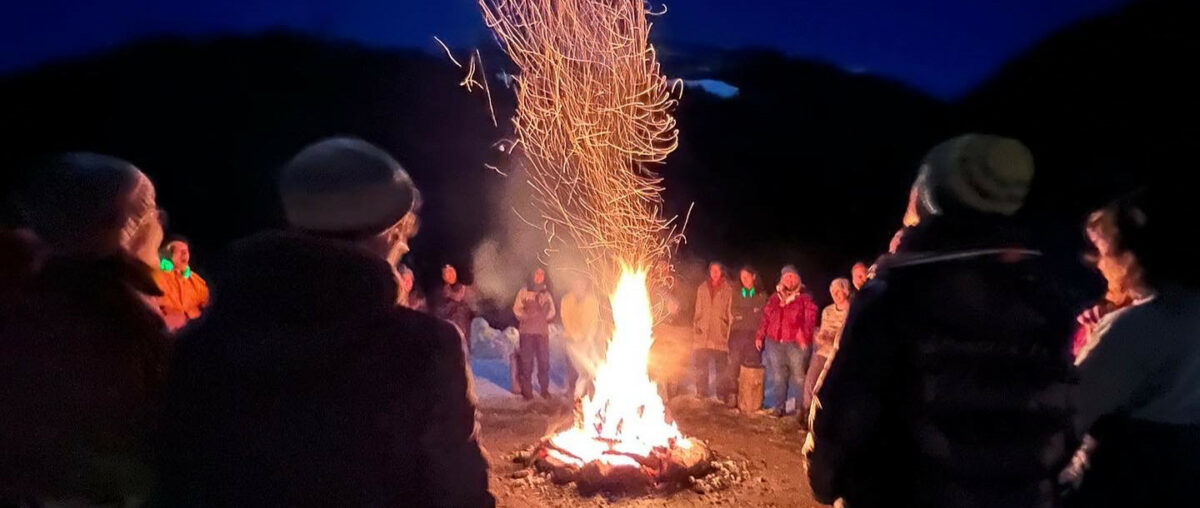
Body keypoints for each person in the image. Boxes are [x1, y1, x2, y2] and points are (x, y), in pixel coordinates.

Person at [155, 137, 493, 507]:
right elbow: (460, 494)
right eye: (402, 233)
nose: (406, 246)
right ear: (388, 233)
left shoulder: (202, 346)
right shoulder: (422, 350)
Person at [806, 134, 1076, 508]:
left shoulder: (897, 294)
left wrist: (824, 480)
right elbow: (1058, 418)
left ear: (934, 196)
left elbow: (844, 414)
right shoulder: (1047, 299)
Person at [0, 153, 170, 506]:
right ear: (124, 227)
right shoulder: (120, 323)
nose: (159, 224)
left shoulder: (23, 299)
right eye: (148, 212)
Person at [1068, 188, 1200, 507]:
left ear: (1132, 255)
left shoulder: (1134, 326)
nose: (1096, 263)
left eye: (1101, 250)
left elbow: (1074, 410)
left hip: (1133, 480)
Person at [1071, 207, 1145, 361]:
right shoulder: (1113, 311)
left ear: (1127, 258)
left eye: (1101, 252)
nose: (1099, 264)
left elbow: (1083, 376)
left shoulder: (1136, 321)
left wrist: (1098, 339)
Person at [755, 265, 818, 417]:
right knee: (778, 377)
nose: (789, 280)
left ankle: (800, 410)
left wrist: (804, 335)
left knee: (798, 377)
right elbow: (766, 318)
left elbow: (810, 320)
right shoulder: (775, 298)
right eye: (786, 276)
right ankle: (779, 408)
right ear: (781, 279)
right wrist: (759, 335)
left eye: (792, 276)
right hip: (774, 342)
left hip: (795, 344)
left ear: (798, 279)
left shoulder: (805, 297)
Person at [802, 278, 851, 419]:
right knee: (811, 381)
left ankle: (830, 418)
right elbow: (823, 331)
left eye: (838, 291)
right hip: (823, 352)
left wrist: (832, 339)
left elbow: (847, 336)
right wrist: (819, 337)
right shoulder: (827, 311)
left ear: (846, 291)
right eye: (833, 291)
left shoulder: (852, 311)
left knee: (832, 388)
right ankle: (807, 413)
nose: (836, 294)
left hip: (839, 356)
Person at [726, 265, 767, 407]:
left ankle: (750, 399)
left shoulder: (761, 294)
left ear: (754, 277)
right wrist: (752, 310)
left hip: (754, 335)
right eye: (742, 277)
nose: (744, 280)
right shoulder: (738, 292)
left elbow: (762, 314)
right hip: (737, 333)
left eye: (747, 276)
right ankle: (733, 395)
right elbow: (735, 310)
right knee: (734, 364)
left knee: (751, 365)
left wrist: (746, 312)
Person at [513, 267, 557, 400]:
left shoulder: (546, 294)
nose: (538, 276)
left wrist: (545, 315)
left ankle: (544, 389)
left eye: (541, 274)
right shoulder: (524, 291)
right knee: (526, 362)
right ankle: (527, 392)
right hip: (526, 332)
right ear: (532, 275)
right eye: (536, 274)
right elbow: (516, 309)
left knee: (544, 361)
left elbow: (553, 312)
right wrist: (526, 315)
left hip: (542, 333)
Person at [693, 261, 733, 399]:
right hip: (703, 334)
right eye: (712, 270)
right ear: (709, 272)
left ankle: (722, 395)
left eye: (717, 270)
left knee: (721, 368)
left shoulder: (728, 289)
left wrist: (727, 330)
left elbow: (730, 312)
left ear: (722, 272)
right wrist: (696, 326)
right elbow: (698, 310)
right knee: (701, 366)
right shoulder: (702, 288)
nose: (715, 273)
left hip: (719, 333)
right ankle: (701, 392)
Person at [154, 238, 210, 332]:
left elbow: (206, 307)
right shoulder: (156, 277)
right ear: (166, 256)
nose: (184, 253)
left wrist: (187, 315)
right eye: (177, 250)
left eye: (186, 251)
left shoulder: (198, 282)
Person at [560, 275, 600, 398]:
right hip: (571, 340)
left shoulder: (592, 301)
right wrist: (574, 335)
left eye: (581, 285)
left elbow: (594, 320)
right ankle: (572, 392)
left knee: (589, 369)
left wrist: (588, 336)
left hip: (587, 340)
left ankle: (588, 394)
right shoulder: (566, 300)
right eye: (576, 285)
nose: (579, 287)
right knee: (572, 368)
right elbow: (565, 319)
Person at [436, 264, 476, 342]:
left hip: (464, 329)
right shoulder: (441, 293)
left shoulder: (465, 288)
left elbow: (473, 306)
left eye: (450, 271)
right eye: (445, 273)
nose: (448, 275)